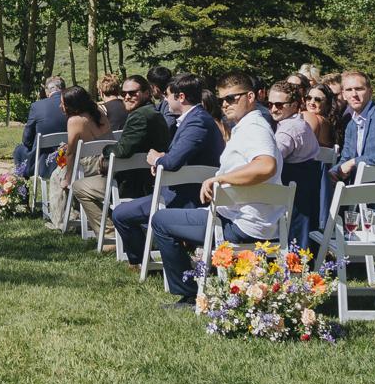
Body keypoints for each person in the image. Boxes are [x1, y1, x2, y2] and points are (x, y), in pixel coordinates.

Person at [149, 72, 286, 304]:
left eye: (232, 98)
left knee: (160, 220)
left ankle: (190, 293)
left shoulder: (254, 127)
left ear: (250, 96)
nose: (225, 104)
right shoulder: (248, 126)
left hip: (240, 224)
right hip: (258, 221)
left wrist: (220, 180)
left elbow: (266, 165)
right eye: (222, 99)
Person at [110, 74, 222, 266]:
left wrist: (157, 159)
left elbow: (173, 162)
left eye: (168, 96)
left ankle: (141, 263)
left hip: (186, 196)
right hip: (181, 191)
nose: (165, 100)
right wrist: (163, 159)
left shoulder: (197, 122)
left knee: (121, 214)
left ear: (181, 97)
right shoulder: (194, 119)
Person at [267, 80, 321, 250]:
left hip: (294, 195)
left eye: (279, 104)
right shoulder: (301, 123)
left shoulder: (287, 130)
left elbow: (270, 161)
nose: (273, 109)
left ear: (294, 105)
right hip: (309, 187)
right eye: (270, 104)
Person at [45, 87, 109, 233]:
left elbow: (71, 153)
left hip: (90, 164)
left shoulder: (74, 120)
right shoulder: (98, 112)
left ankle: (62, 222)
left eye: (63, 103)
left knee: (57, 177)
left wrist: (67, 178)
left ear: (73, 105)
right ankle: (75, 214)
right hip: (106, 161)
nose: (60, 106)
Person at [111, 74, 171, 201]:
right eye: (123, 93)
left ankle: (110, 220)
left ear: (146, 93)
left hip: (134, 185)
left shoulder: (140, 116)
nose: (127, 97)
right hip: (145, 180)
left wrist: (105, 151)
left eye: (133, 93)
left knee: (81, 187)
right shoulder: (151, 111)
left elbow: (123, 150)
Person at [13, 75, 67, 179]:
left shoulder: (37, 106)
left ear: (47, 91)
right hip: (68, 159)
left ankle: (23, 191)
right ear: (64, 89)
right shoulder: (74, 105)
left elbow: (27, 139)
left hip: (44, 163)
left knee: (19, 150)